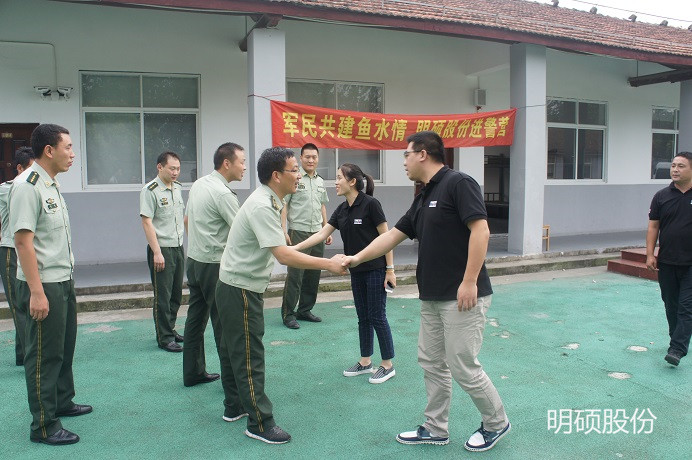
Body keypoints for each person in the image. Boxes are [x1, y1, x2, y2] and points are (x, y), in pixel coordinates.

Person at [342, 131, 510, 452]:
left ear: (422, 154)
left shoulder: (458, 184)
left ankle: (496, 422)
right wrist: (355, 257)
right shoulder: (422, 196)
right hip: (432, 296)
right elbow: (392, 236)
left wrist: (469, 280)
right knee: (432, 362)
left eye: (406, 154)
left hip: (463, 295)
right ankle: (435, 427)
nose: (403, 161)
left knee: (462, 364)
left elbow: (481, 229)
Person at [215, 146, 346, 444]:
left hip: (234, 285)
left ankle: (234, 405)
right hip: (240, 289)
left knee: (234, 349)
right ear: (277, 176)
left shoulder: (269, 200)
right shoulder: (263, 205)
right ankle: (259, 422)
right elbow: (283, 257)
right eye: (293, 170)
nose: (299, 174)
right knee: (249, 354)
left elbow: (283, 251)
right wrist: (329, 263)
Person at [10, 124, 92, 445]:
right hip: (43, 285)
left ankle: (62, 401)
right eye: (68, 148)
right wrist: (36, 292)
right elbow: (22, 241)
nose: (72, 154)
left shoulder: (50, 184)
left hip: (62, 280)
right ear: (49, 150)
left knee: (63, 347)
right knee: (44, 355)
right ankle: (44, 425)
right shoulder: (28, 185)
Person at [293, 163, 397, 384]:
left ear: (352, 182)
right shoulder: (342, 209)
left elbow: (387, 239)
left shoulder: (371, 204)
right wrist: (294, 249)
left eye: (339, 177)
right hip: (356, 271)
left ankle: (387, 365)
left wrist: (390, 270)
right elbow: (322, 233)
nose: (336, 182)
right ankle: (366, 361)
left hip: (376, 270)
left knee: (377, 316)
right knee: (363, 318)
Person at [183, 143, 245, 387]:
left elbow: (187, 220)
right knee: (224, 324)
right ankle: (231, 385)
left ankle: (193, 372)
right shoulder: (222, 193)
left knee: (195, 319)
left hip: (195, 261)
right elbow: (243, 231)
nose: (245, 167)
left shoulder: (199, 184)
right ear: (227, 163)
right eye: (241, 161)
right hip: (214, 266)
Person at [646, 151, 692, 367]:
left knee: (686, 306)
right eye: (673, 165)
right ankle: (677, 338)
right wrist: (649, 254)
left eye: (681, 166)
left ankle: (677, 348)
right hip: (667, 261)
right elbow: (653, 226)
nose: (674, 169)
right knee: (670, 304)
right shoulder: (661, 196)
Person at [280, 143, 331, 329]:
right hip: (298, 231)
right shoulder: (294, 177)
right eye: (307, 157)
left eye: (314, 157)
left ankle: (305, 310)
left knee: (313, 273)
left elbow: (322, 205)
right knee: (295, 275)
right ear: (301, 158)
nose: (311, 160)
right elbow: (284, 204)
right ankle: (288, 314)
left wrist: (326, 228)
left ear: (318, 159)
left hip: (317, 232)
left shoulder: (320, 181)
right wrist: (284, 229)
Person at [140, 151, 185, 352]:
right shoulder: (150, 190)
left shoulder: (178, 189)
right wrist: (156, 252)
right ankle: (164, 337)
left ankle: (171, 328)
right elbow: (147, 222)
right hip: (162, 249)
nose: (176, 172)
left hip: (177, 247)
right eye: (171, 168)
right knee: (163, 296)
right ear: (160, 167)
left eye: (178, 168)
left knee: (176, 293)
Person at [0, 146, 35, 366]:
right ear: (19, 168)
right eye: (30, 169)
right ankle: (31, 356)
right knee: (19, 306)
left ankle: (23, 355)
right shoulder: (8, 188)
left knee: (28, 304)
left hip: (28, 250)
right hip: (11, 251)